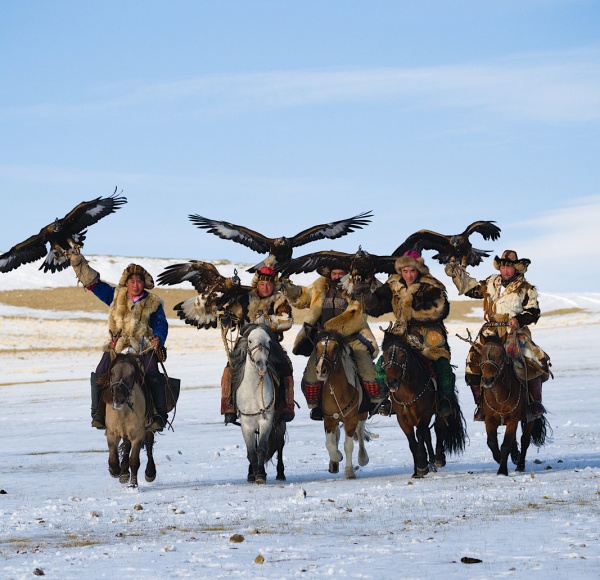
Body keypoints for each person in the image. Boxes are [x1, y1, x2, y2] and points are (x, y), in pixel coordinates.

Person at [445, 249, 550, 421]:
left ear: (516, 268)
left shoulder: (526, 288)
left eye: (510, 267)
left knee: (532, 359)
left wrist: (519, 319)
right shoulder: (490, 283)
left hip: (515, 331)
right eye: (503, 267)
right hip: (489, 331)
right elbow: (471, 290)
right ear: (499, 267)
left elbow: (534, 311)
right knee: (472, 362)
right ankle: (480, 405)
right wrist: (457, 274)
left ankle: (535, 402)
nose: (506, 271)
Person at [70, 252, 169, 432]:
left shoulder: (153, 302)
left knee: (153, 373)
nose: (136, 285)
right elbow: (95, 285)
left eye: (139, 282)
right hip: (118, 345)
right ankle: (98, 413)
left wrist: (158, 339)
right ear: (127, 282)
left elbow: (161, 325)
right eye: (132, 282)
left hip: (142, 347)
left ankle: (159, 415)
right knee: (100, 372)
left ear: (144, 283)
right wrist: (79, 265)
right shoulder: (116, 295)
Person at [354, 250, 457, 418]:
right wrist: (365, 295)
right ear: (400, 271)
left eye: (412, 271)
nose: (409, 275)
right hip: (402, 332)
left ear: (419, 270)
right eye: (405, 271)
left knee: (441, 363)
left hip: (428, 332)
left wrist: (413, 316)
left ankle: (445, 399)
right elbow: (377, 307)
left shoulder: (431, 286)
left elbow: (440, 310)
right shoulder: (394, 285)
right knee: (384, 362)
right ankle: (383, 399)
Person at [282, 266, 382, 420]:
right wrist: (288, 289)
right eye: (334, 274)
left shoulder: (355, 289)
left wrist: (331, 328)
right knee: (311, 373)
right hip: (325, 339)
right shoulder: (321, 288)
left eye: (340, 274)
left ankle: (375, 401)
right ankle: (315, 406)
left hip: (351, 336)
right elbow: (302, 298)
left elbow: (363, 310)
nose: (336, 277)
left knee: (366, 367)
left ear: (347, 274)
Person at [220, 263, 296, 425]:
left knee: (285, 367)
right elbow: (234, 315)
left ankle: (286, 405)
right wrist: (227, 318)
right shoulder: (246, 298)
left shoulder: (280, 300)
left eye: (269, 284)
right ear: (257, 284)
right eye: (262, 284)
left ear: (274, 285)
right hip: (245, 341)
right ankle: (229, 405)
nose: (265, 287)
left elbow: (286, 321)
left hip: (270, 341)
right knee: (230, 368)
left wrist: (267, 321)